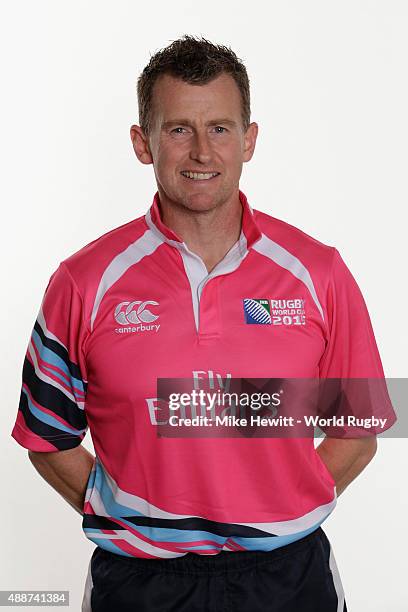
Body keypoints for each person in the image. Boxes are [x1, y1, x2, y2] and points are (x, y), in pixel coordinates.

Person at [11, 35, 396, 611]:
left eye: (219, 128)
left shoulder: (319, 272)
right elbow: (46, 435)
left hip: (288, 579)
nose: (201, 153)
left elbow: (357, 428)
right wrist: (127, 513)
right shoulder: (83, 282)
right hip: (140, 583)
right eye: (178, 130)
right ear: (143, 143)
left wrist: (279, 508)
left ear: (250, 138)